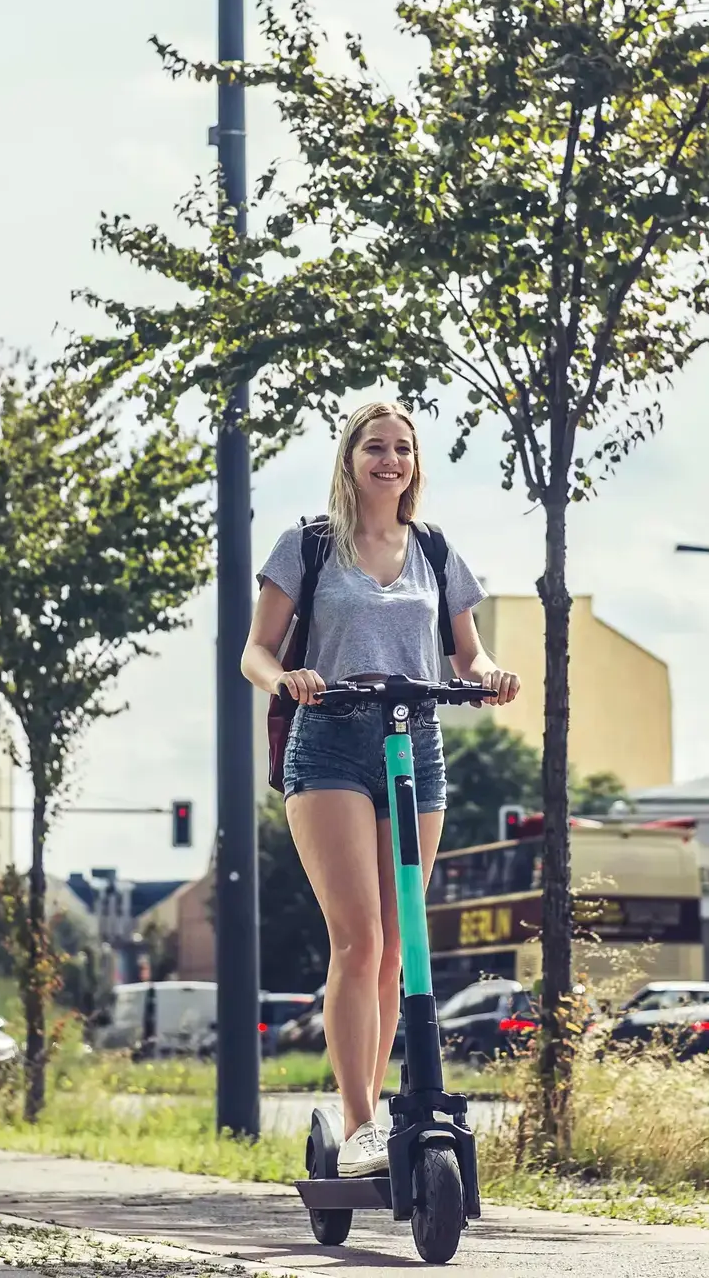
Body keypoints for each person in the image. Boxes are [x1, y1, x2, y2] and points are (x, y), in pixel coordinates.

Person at [243, 401, 519, 1177]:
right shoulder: (307, 545)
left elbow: (465, 653)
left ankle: (389, 1109)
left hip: (416, 744)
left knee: (400, 947)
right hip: (330, 741)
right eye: (375, 446)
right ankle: (362, 1120)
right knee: (359, 938)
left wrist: (489, 674)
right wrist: (288, 677)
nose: (389, 459)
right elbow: (256, 650)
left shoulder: (433, 548)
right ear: (350, 457)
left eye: (402, 447)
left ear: (414, 462)